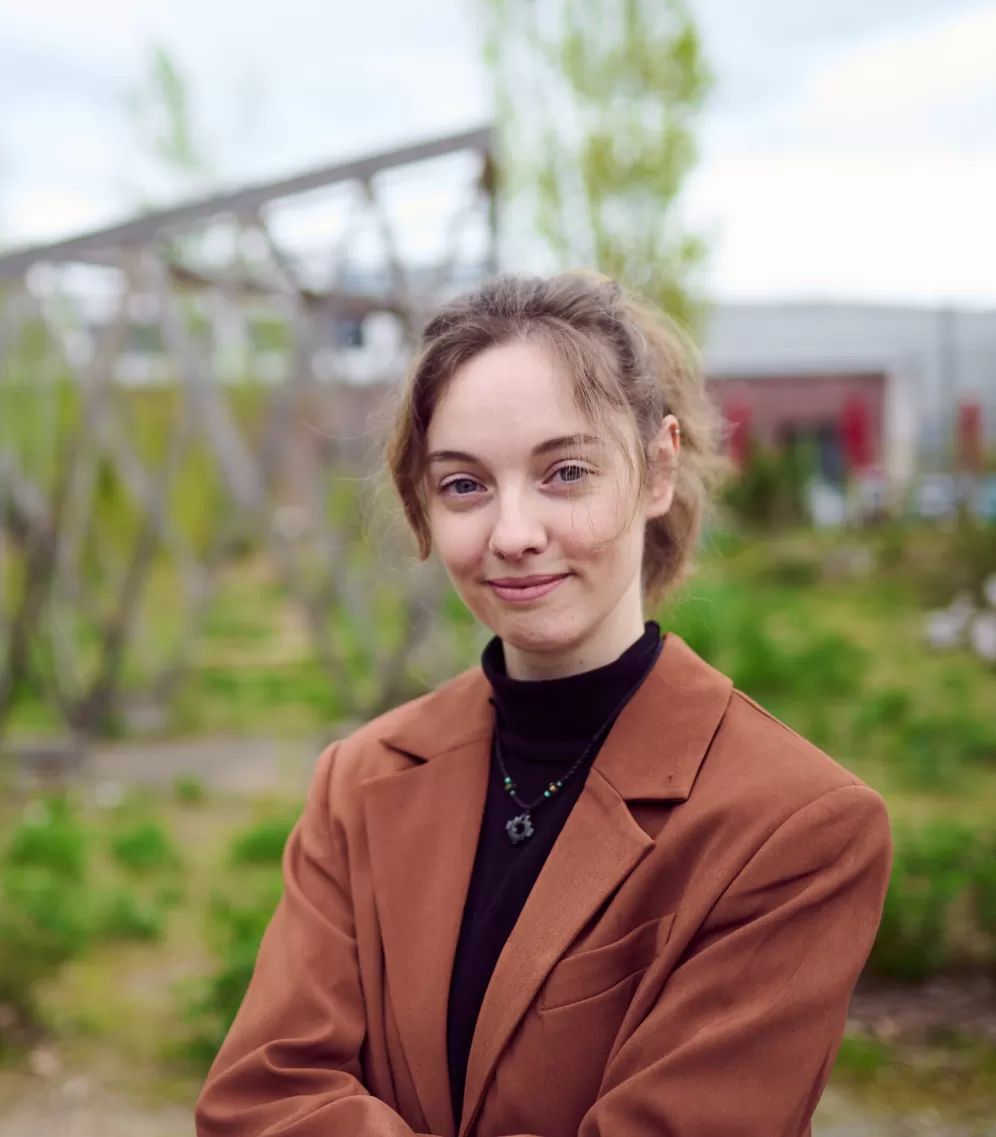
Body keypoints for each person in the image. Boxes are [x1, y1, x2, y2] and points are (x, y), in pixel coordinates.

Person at [194, 272, 893, 1137]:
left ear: (658, 469)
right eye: (465, 485)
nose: (513, 533)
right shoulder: (360, 783)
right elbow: (257, 1097)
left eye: (564, 472)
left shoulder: (795, 826)